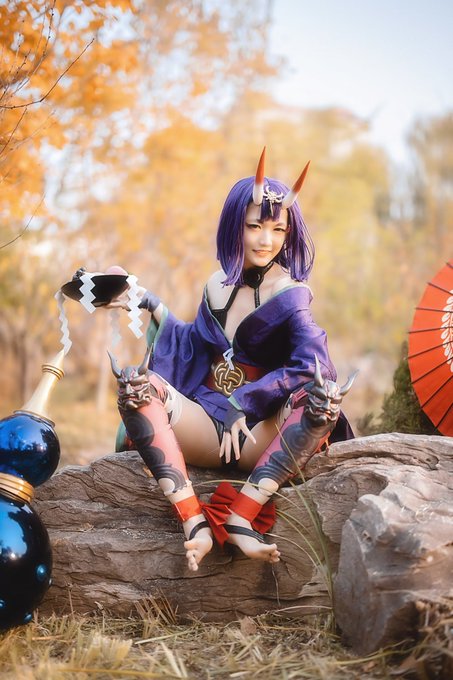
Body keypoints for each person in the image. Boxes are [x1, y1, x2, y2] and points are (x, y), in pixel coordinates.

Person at [107, 148, 354, 573]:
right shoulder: (215, 285)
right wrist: (150, 302)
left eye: (277, 229)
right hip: (206, 424)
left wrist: (247, 401)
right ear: (234, 225)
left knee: (321, 400)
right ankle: (194, 522)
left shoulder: (291, 294)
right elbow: (195, 344)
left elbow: (314, 367)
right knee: (137, 388)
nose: (266, 240)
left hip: (260, 435)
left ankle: (241, 517)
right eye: (255, 225)